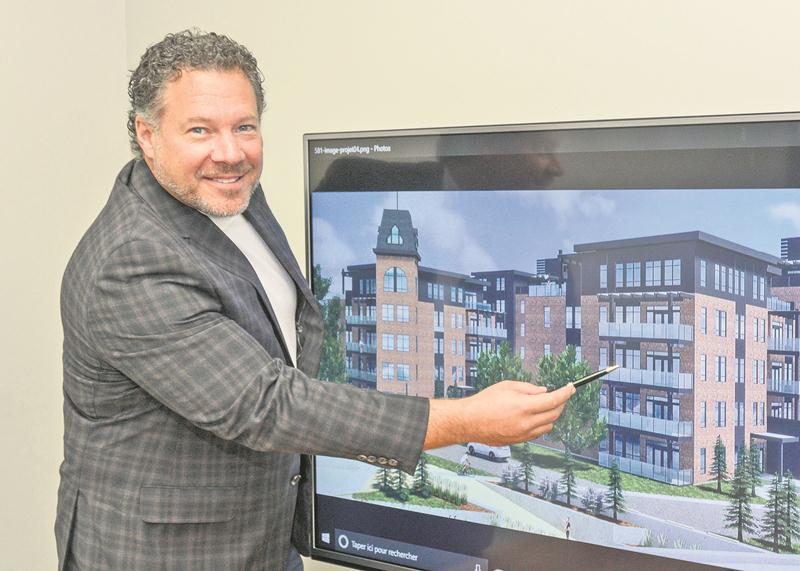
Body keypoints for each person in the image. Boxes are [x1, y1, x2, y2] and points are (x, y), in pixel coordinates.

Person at [55, 29, 575, 570]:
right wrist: (468, 419)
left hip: (262, 540)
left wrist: (486, 167)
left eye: (244, 126)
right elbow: (266, 404)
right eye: (200, 130)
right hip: (168, 555)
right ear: (147, 134)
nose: (229, 153)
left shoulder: (223, 192)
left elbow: (350, 173)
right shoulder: (131, 261)